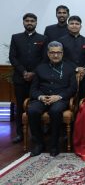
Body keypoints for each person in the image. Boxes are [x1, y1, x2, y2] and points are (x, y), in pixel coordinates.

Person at [28, 41, 77, 157]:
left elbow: (72, 89)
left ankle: (54, 145)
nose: (56, 55)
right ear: (48, 54)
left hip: (60, 99)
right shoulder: (40, 68)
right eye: (53, 53)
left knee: (55, 111)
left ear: (62, 53)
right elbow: (33, 90)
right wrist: (40, 97)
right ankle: (39, 143)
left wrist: (58, 96)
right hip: (42, 98)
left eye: (58, 52)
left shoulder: (70, 68)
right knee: (32, 110)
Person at [9, 13, 48, 144]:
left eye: (32, 21)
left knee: (37, 105)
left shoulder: (43, 38)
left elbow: (44, 59)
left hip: (37, 80)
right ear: (23, 22)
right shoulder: (16, 38)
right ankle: (20, 134)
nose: (29, 23)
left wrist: (33, 73)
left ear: (36, 23)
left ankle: (38, 132)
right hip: (20, 78)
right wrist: (24, 72)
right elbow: (12, 57)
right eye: (27, 21)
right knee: (20, 106)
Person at [58, 15, 85, 99]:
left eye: (77, 24)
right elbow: (61, 58)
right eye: (72, 23)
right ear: (68, 25)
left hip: (84, 75)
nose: (74, 25)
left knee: (83, 98)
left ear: (81, 26)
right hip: (67, 74)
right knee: (68, 99)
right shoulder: (61, 41)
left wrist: (84, 69)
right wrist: (76, 68)